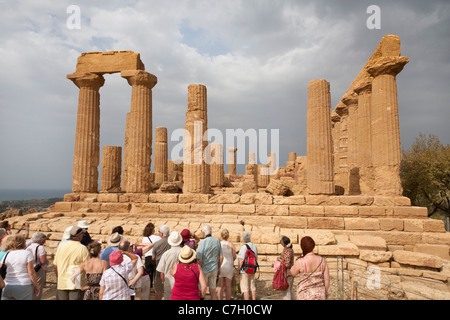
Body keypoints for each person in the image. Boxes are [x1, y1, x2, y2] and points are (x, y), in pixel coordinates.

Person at [53, 226, 90, 300]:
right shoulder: (82, 248)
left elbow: (55, 265)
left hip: (62, 283)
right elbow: (87, 267)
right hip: (76, 284)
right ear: (79, 236)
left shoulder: (61, 246)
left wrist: (59, 278)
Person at [0, 234, 39, 300]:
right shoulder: (27, 253)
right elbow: (31, 272)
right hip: (24, 285)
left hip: (8, 285)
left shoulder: (6, 254)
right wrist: (36, 285)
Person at [196, 225, 223, 300]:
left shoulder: (202, 243)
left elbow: (199, 259)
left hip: (204, 270)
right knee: (213, 291)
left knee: (202, 289)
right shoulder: (217, 241)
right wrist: (218, 268)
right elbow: (221, 257)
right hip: (214, 269)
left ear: (204, 233)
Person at [156, 231, 183, 300]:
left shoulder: (166, 254)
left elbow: (161, 272)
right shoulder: (183, 252)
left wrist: (163, 281)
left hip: (168, 281)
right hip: (181, 281)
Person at [26, 232, 48, 300]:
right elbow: (43, 261)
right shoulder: (40, 247)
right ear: (40, 239)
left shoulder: (28, 246)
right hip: (38, 270)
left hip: (29, 269)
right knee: (38, 287)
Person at [152, 225, 171, 300]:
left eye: (159, 232)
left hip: (160, 268)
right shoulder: (171, 242)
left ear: (162, 234)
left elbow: (153, 257)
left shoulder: (157, 243)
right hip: (170, 267)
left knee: (158, 289)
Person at [238, 231, 258, 300]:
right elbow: (256, 258)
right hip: (252, 269)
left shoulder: (243, 247)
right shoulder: (254, 246)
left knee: (245, 288)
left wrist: (238, 269)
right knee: (252, 286)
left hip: (245, 270)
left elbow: (241, 260)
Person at [217, 229, 236, 300]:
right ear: (228, 236)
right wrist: (230, 260)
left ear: (221, 236)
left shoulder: (218, 244)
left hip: (220, 266)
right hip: (229, 266)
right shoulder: (231, 245)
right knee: (228, 286)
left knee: (220, 286)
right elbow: (234, 257)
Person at [275, 236, 295, 300]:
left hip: (287, 274)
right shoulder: (288, 250)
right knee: (290, 291)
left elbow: (287, 264)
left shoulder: (288, 251)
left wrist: (279, 262)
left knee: (286, 293)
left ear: (283, 243)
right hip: (289, 273)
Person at [142, 222, 161, 289]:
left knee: (149, 274)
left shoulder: (144, 238)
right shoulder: (158, 238)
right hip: (155, 257)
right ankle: (156, 288)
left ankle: (149, 288)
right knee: (156, 274)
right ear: (152, 229)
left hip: (147, 257)